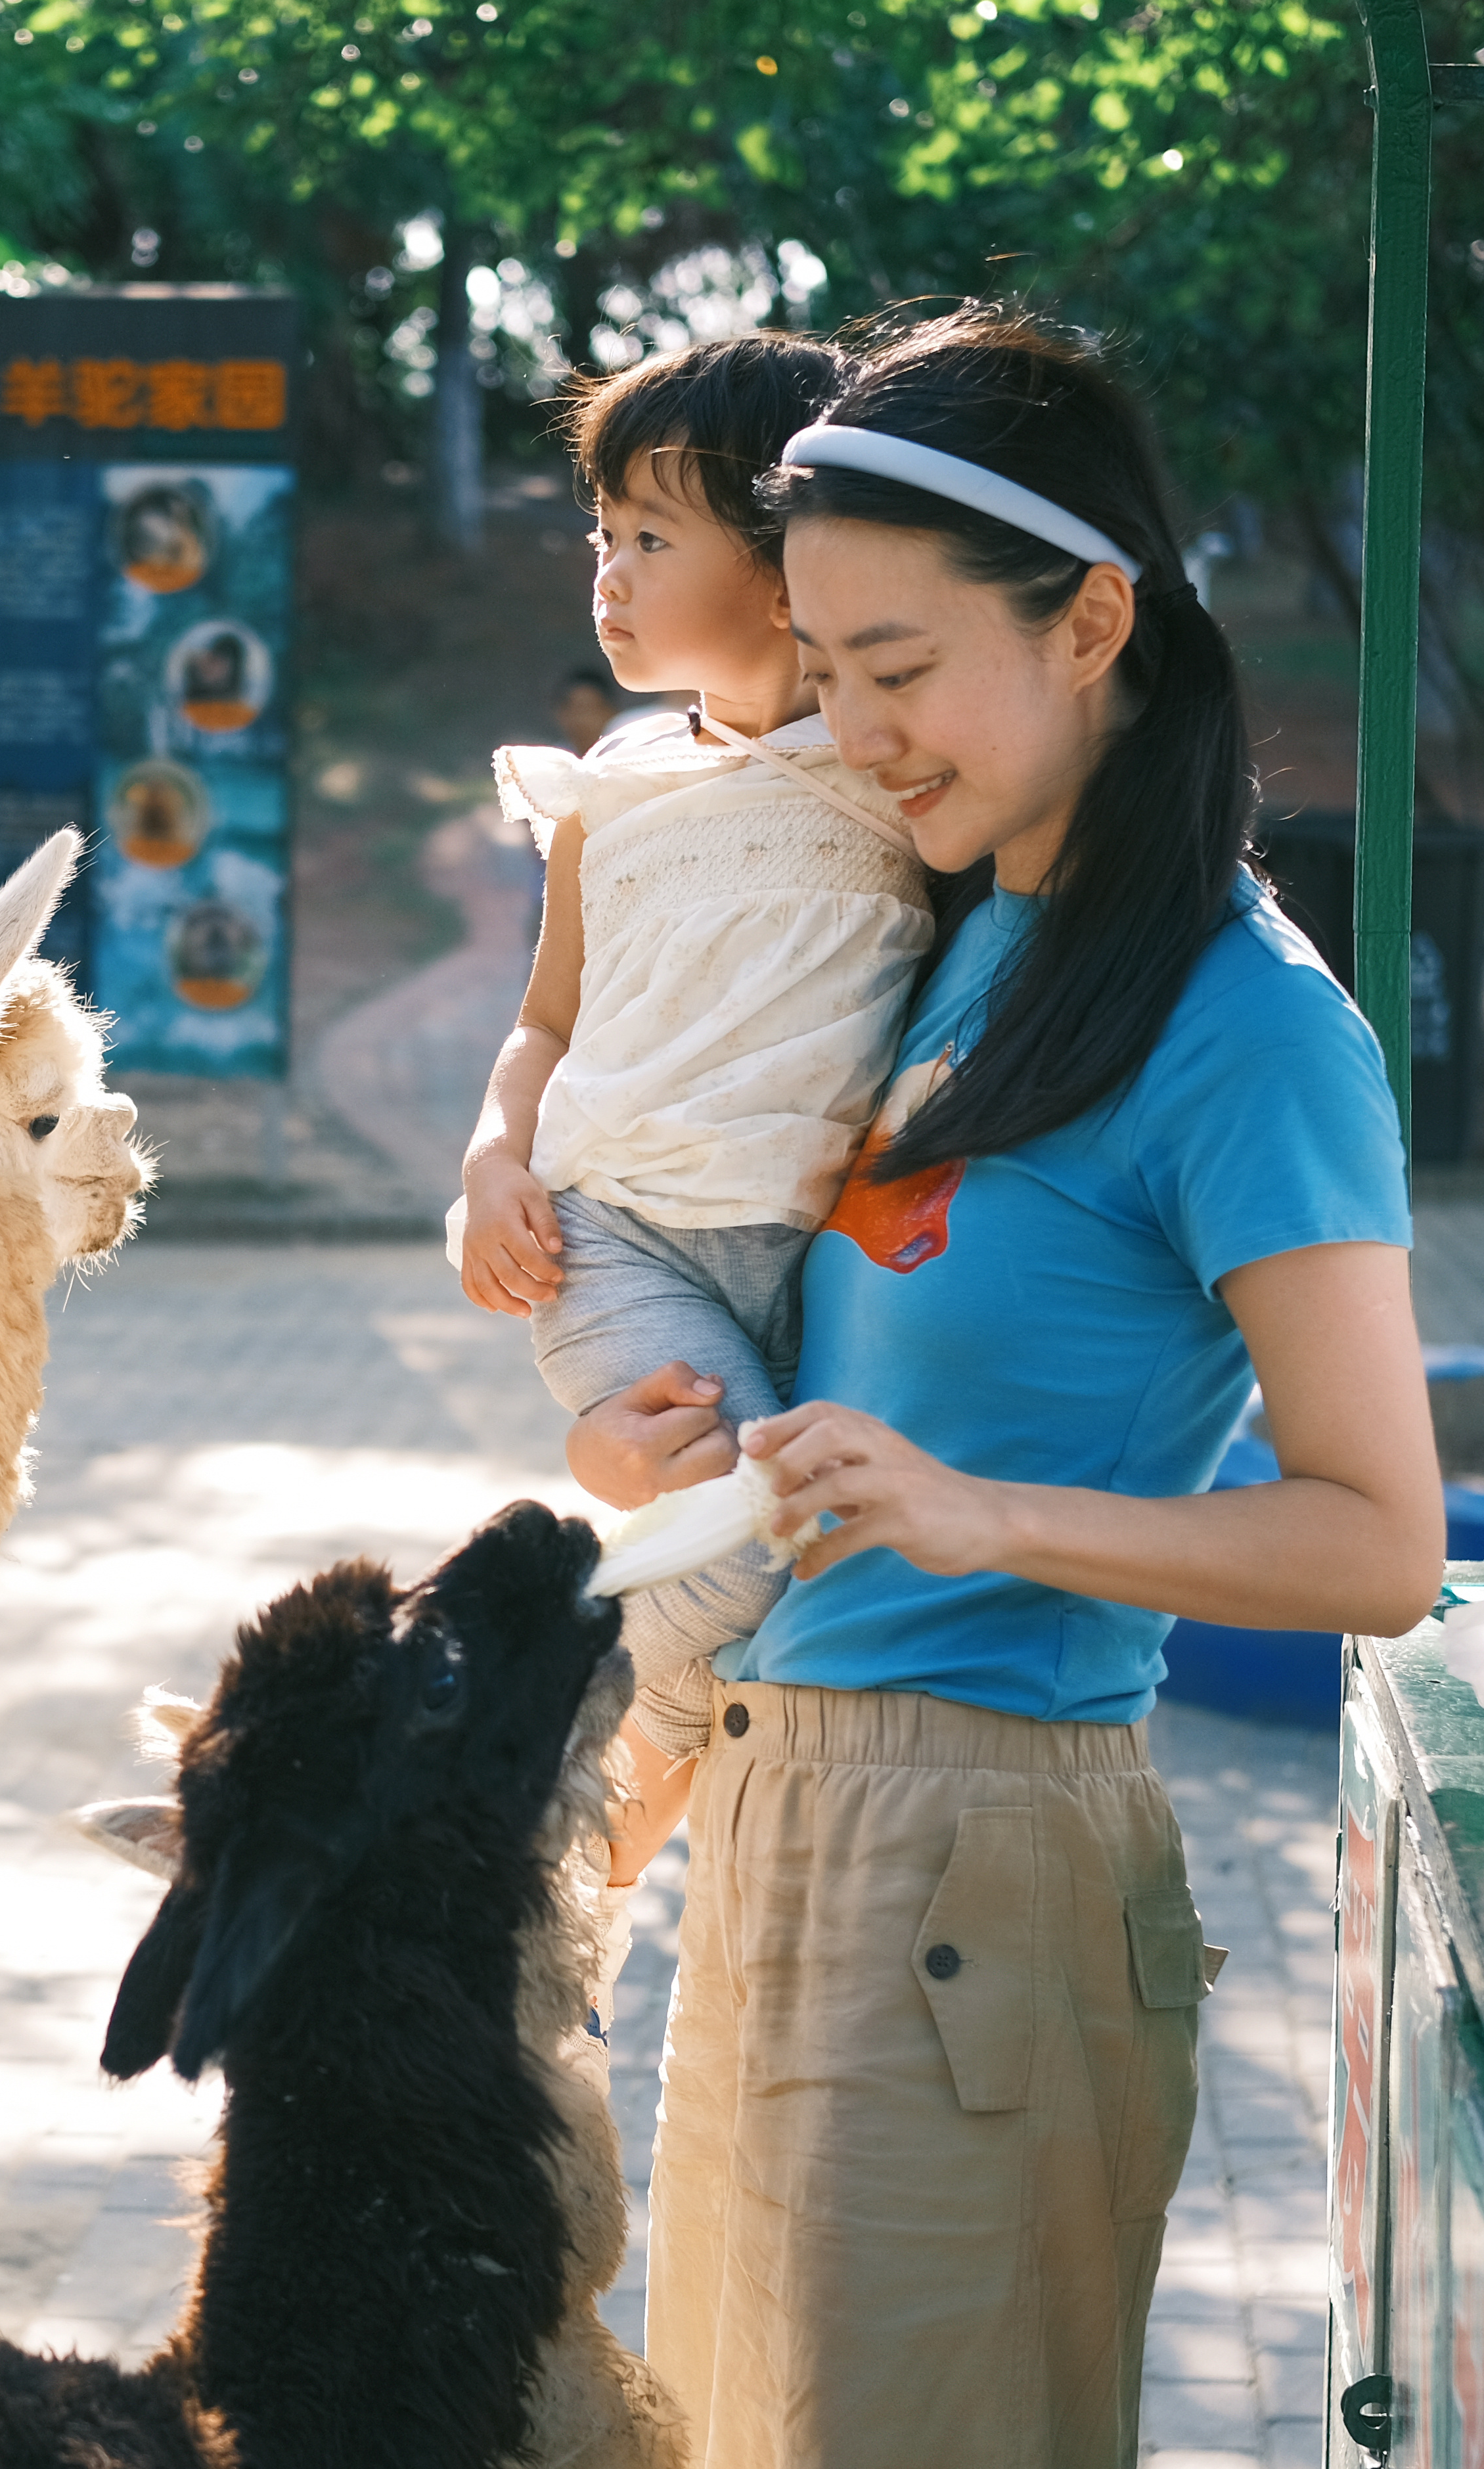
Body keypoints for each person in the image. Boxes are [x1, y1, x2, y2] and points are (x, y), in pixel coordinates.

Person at [566, 307, 1443, 2469]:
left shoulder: (1253, 1028)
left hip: (990, 1860)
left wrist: (984, 1508)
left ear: (1092, 621)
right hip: (794, 1822)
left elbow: (1383, 1537)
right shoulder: (961, 929)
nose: (859, 731)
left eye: (904, 667)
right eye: (828, 668)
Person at [452, 333, 937, 1890]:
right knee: (751, 1522)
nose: (609, 572)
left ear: (792, 564)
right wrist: (487, 1160)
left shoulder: (889, 770)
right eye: (605, 535)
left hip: (810, 1263)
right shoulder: (613, 786)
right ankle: (559, 1828)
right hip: (616, 1237)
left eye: (654, 537)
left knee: (779, 1552)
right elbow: (544, 1022)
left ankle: (582, 1822)